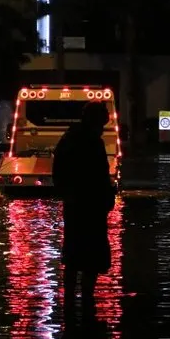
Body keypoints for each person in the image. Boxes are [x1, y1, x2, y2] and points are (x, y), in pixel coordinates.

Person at [52, 102, 116, 298]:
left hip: (77, 206)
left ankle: (71, 300)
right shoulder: (92, 142)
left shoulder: (69, 139)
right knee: (90, 257)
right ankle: (86, 299)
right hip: (90, 207)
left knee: (73, 255)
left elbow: (58, 171)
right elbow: (100, 175)